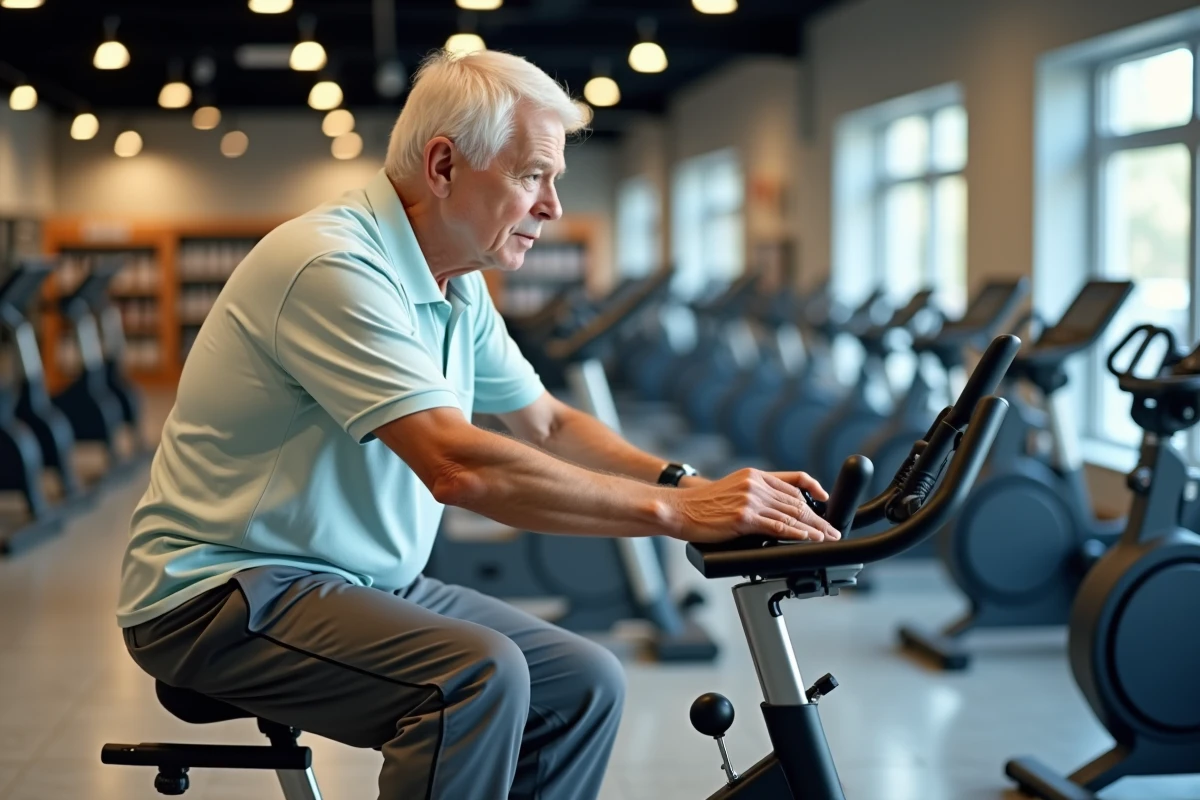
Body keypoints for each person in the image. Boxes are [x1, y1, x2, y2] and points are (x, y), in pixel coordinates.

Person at [115, 49, 839, 800]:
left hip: (363, 580)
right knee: (474, 677)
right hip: (219, 592)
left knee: (585, 683)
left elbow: (548, 425)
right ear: (442, 166)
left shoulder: (456, 286)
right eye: (533, 176)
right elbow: (457, 466)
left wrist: (688, 483)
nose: (553, 206)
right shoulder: (330, 265)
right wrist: (679, 515)